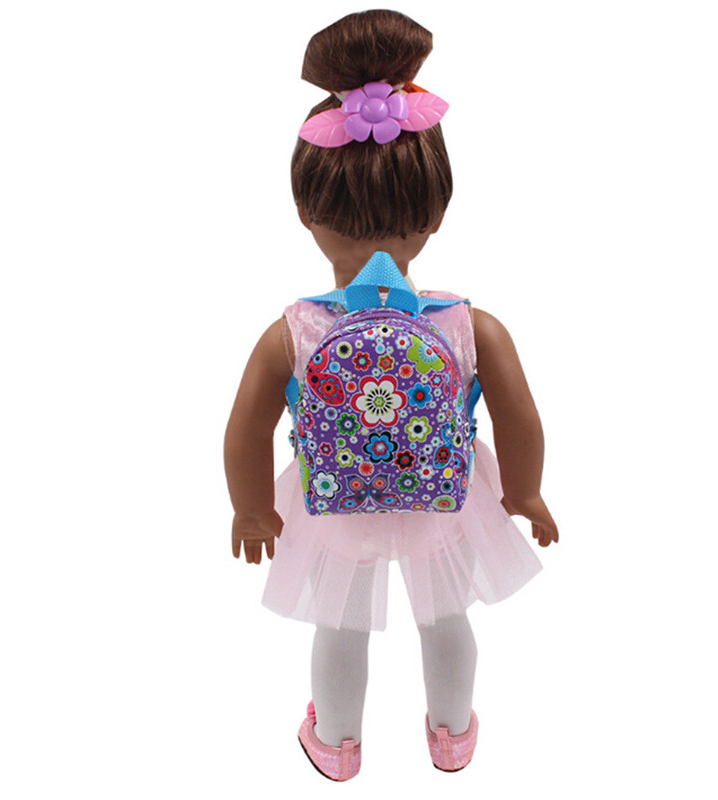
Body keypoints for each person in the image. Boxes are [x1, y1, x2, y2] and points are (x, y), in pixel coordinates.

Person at [224, 9, 559, 781]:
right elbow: (520, 417)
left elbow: (246, 427)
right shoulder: (471, 327)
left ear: (306, 212)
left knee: (341, 626)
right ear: (436, 213)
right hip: (445, 500)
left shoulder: (293, 332)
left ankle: (336, 744)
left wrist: (251, 507)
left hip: (334, 502)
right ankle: (452, 735)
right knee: (446, 621)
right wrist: (525, 492)